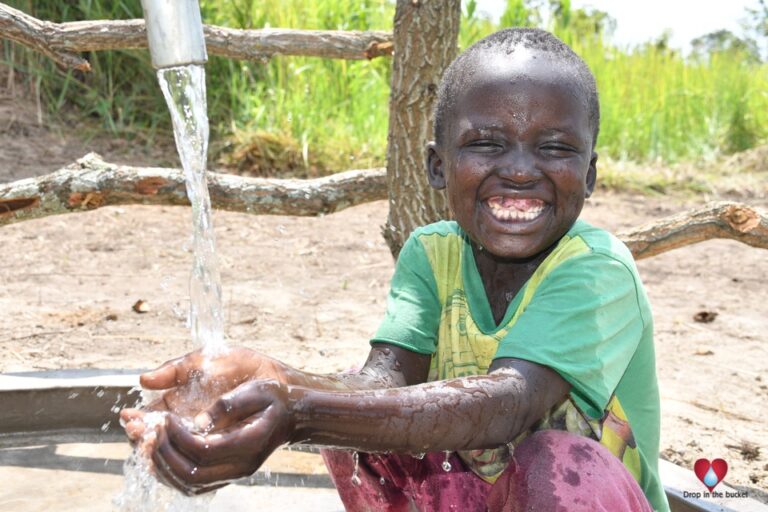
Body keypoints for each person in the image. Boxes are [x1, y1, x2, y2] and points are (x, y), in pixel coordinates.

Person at [122, 28, 670, 512]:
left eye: (554, 148)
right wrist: (274, 380)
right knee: (358, 422)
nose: (521, 171)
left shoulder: (596, 272)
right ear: (437, 165)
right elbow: (383, 380)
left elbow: (509, 403)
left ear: (590, 173)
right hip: (485, 494)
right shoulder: (432, 253)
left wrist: (300, 413)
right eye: (485, 143)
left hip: (574, 497)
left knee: (563, 460)